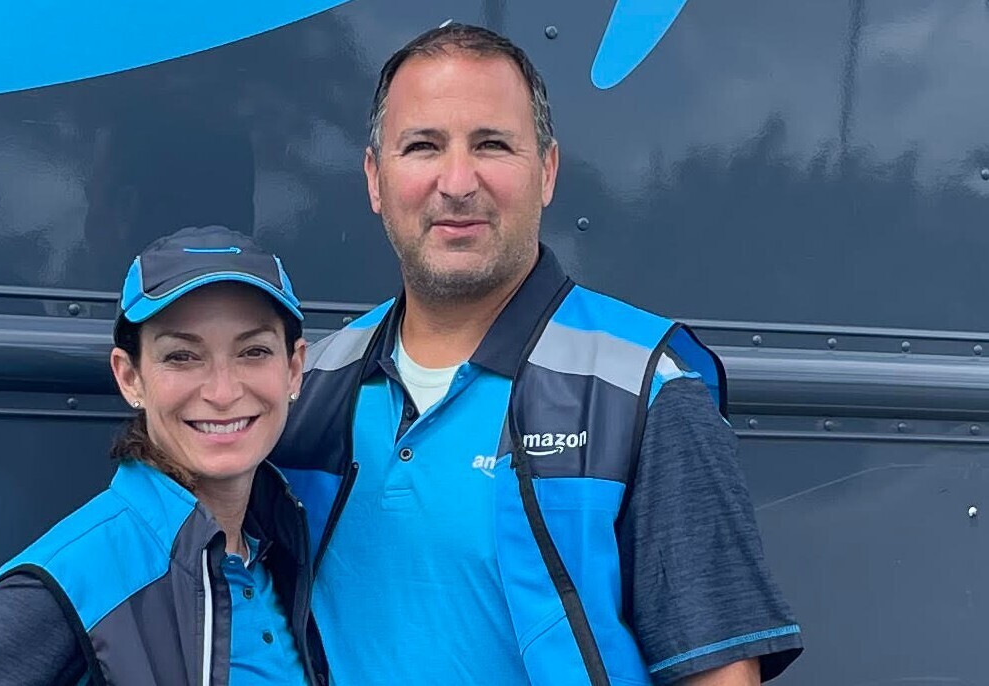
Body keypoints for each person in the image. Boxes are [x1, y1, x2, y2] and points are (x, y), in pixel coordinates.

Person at [268, 23, 802, 686]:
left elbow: (719, 676)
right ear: (376, 179)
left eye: (492, 144)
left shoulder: (644, 388)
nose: (457, 181)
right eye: (423, 146)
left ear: (546, 171)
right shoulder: (305, 390)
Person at [0, 225, 328, 686]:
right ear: (130, 377)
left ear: (293, 370)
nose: (222, 391)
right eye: (181, 357)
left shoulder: (283, 551)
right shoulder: (69, 584)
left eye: (253, 351)